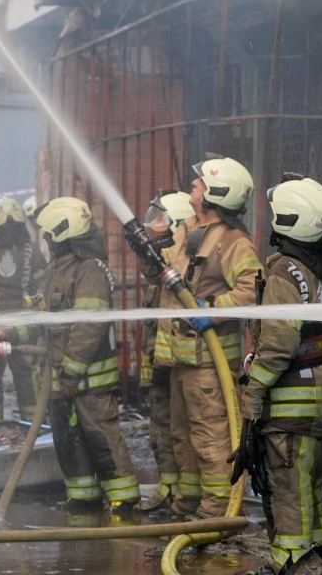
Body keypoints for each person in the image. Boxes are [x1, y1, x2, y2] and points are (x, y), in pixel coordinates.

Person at [236, 174, 322, 574]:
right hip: (321, 398)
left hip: (290, 404)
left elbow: (280, 342)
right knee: (311, 489)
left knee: (288, 492)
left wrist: (254, 391)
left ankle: (294, 565)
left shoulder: (286, 271)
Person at [154, 154, 261, 518]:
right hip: (181, 360)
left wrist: (212, 308)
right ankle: (187, 504)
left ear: (215, 194)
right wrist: (147, 249)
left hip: (208, 368)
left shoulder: (233, 242)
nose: (192, 188)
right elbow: (159, 273)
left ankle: (215, 511)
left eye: (198, 185)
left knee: (211, 439)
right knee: (182, 437)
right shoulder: (186, 229)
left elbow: (252, 290)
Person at [30, 196, 140, 511]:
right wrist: (6, 331)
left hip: (88, 381)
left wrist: (71, 373)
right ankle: (83, 498)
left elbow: (87, 328)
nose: (47, 241)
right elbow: (40, 317)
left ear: (63, 235)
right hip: (64, 380)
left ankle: (123, 499)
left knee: (101, 440)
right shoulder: (58, 271)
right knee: (69, 443)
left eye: (50, 235)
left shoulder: (89, 270)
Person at [135, 189, 195, 512]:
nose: (151, 225)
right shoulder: (159, 269)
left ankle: (185, 497)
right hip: (158, 362)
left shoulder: (182, 265)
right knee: (159, 426)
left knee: (179, 429)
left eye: (159, 219)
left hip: (176, 364)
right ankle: (168, 487)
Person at [0, 196, 46, 422]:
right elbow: (41, 294)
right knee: (26, 378)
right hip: (21, 329)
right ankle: (35, 429)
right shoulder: (33, 254)